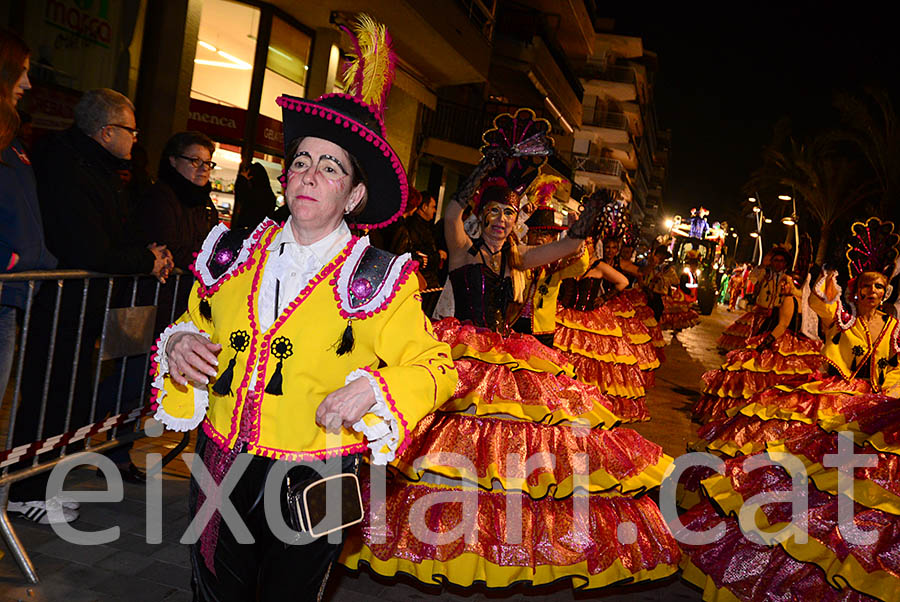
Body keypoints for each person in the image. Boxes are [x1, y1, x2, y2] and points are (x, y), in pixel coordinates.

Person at [151, 15, 458, 599]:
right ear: (286, 175)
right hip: (221, 463)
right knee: (213, 591)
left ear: (355, 194)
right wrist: (178, 344)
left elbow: (436, 367)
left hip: (315, 476)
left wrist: (375, 389)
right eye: (302, 161)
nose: (311, 174)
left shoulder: (380, 280)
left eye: (331, 166)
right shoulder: (232, 253)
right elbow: (194, 321)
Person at [343, 115, 681, 590]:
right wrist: (486, 169)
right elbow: (451, 213)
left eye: (509, 213)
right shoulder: (463, 251)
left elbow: (568, 244)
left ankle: (490, 543)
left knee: (503, 460)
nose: (502, 221)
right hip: (458, 355)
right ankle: (436, 537)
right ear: (484, 218)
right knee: (439, 452)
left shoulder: (517, 260)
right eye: (495, 213)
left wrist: (591, 215)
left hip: (506, 358)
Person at [681, 217, 900, 600]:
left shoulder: (892, 328)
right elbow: (819, 306)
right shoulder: (844, 319)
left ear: (887, 291)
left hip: (875, 409)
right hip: (839, 405)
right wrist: (820, 288)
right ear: (856, 289)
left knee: (863, 488)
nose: (873, 292)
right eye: (866, 285)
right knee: (819, 475)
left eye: (879, 286)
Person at [8, 88, 173, 519]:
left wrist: (145, 252)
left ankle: (43, 482)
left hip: (81, 308)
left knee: (68, 399)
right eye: (131, 131)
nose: (136, 139)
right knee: (50, 397)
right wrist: (144, 259)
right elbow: (88, 248)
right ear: (106, 132)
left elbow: (109, 237)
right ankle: (27, 490)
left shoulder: (95, 167)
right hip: (60, 305)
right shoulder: (68, 167)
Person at [0, 30, 61, 524]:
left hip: (12, 296)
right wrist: (13, 261)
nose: (27, 80)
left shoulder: (12, 138)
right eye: (20, 69)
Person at [136, 131, 219, 270]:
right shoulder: (159, 198)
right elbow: (169, 249)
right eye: (195, 161)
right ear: (173, 160)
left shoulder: (206, 204)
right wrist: (210, 262)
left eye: (208, 162)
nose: (204, 168)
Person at [717, 246, 791, 351]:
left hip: (777, 317)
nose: (778, 263)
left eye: (781, 261)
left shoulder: (788, 279)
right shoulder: (764, 274)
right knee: (754, 340)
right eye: (776, 260)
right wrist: (762, 265)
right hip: (761, 314)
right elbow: (753, 278)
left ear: (785, 263)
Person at [388, 190, 444, 315]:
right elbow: (403, 254)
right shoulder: (407, 227)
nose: (435, 211)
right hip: (417, 282)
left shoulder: (409, 225)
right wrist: (428, 258)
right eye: (433, 207)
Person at [231, 161, 277, 230]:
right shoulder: (270, 195)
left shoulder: (253, 193)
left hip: (246, 232)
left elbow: (240, 196)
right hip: (261, 233)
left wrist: (242, 179)